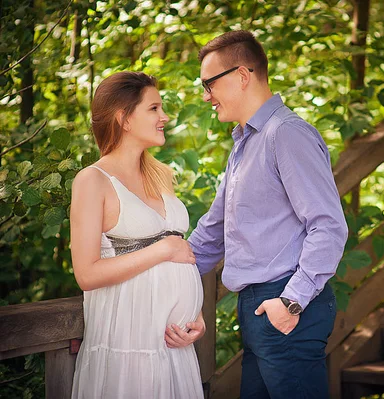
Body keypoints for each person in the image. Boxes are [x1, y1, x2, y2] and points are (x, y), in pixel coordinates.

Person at [188, 30, 348, 399]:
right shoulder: (244, 144)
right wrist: (156, 275)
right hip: (258, 311)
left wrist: (291, 301)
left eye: (209, 83)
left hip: (287, 305)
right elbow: (213, 232)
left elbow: (328, 226)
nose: (205, 95)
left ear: (242, 76)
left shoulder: (286, 134)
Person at [70, 71, 206, 398]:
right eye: (154, 108)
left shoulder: (160, 177)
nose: (165, 116)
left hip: (174, 349)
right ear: (124, 118)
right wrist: (162, 251)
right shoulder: (93, 180)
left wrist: (195, 316)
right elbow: (86, 274)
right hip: (128, 349)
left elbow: (177, 254)